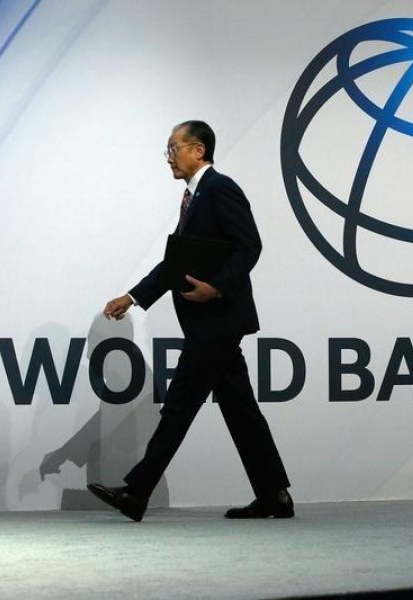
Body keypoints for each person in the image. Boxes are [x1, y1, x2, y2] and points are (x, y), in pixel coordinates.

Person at [87, 120, 292, 522]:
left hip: (215, 322)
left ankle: (136, 492)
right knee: (241, 411)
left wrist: (215, 289)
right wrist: (133, 296)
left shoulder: (219, 188)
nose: (169, 158)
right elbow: (174, 264)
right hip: (212, 326)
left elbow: (250, 246)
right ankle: (274, 495)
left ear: (198, 150)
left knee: (179, 405)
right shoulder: (192, 198)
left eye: (173, 149)